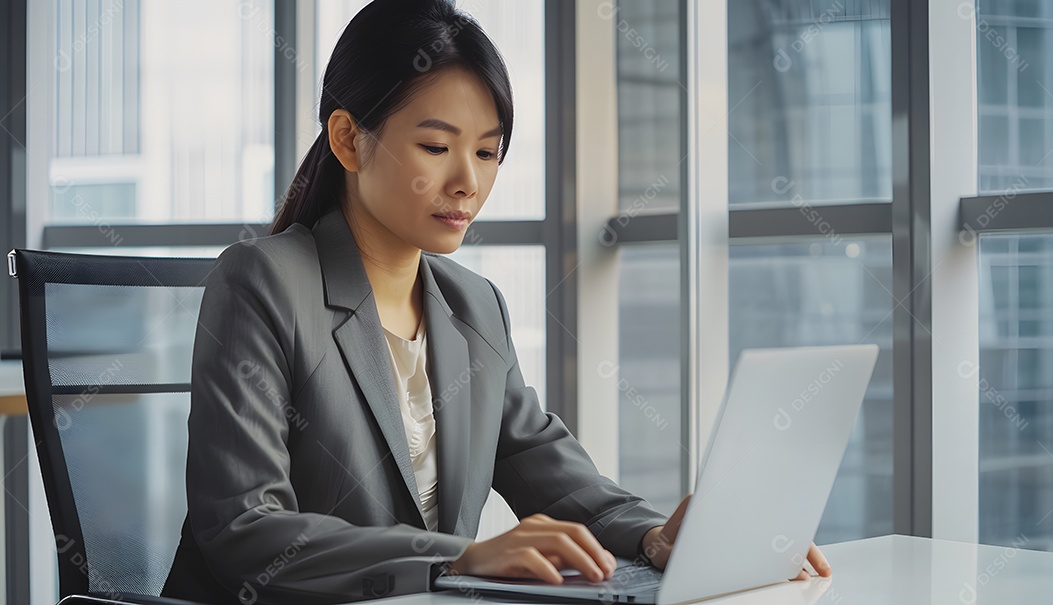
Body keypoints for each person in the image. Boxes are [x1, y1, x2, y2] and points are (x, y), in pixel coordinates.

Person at [161, 1, 829, 603]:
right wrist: (461, 557)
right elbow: (246, 529)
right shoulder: (261, 280)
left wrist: (658, 537)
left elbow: (564, 484)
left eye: (488, 152)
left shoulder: (473, 306)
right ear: (347, 139)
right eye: (435, 146)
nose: (468, 182)